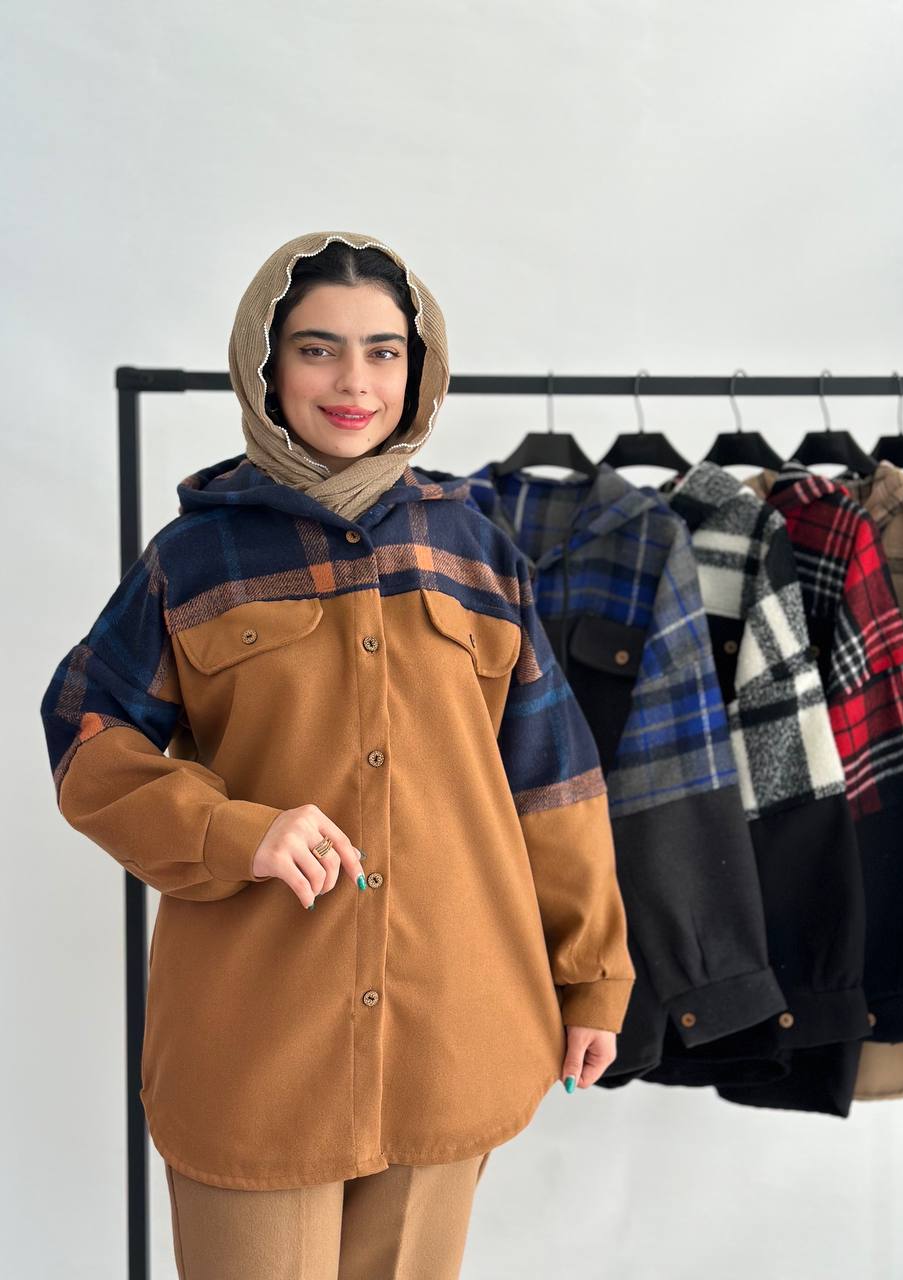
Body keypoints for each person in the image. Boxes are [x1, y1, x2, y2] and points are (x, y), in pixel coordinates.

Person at [40, 230, 636, 1279]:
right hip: (256, 1046)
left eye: (383, 351)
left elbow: (553, 778)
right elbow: (88, 740)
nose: (355, 382)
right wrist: (234, 830)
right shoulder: (195, 557)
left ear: (418, 370)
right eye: (317, 349)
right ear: (265, 367)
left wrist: (593, 979)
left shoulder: (475, 551)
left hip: (453, 1027)